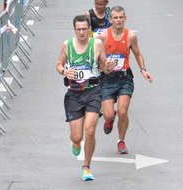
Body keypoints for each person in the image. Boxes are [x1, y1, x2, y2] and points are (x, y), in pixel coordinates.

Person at [56, 15, 114, 181]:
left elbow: (105, 66)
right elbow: (59, 64)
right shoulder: (67, 45)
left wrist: (108, 67)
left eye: (84, 29)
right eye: (78, 29)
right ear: (74, 30)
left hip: (93, 92)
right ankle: (75, 142)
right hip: (74, 94)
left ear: (89, 29)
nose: (81, 32)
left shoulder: (96, 44)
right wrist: (64, 71)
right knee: (77, 137)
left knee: (90, 131)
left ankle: (86, 167)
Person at [97, 6, 153, 154]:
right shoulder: (102, 37)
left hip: (124, 77)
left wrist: (143, 70)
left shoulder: (130, 37)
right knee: (109, 114)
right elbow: (94, 56)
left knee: (123, 112)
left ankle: (121, 141)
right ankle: (109, 118)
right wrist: (102, 65)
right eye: (115, 18)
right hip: (107, 79)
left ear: (125, 18)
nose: (118, 20)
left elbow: (138, 54)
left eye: (121, 17)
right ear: (110, 20)